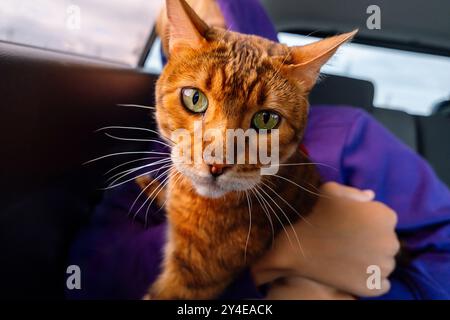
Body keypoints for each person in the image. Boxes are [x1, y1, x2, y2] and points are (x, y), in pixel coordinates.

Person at [67, 0, 450, 300]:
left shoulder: (352, 135)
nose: (216, 159)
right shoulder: (152, 165)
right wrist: (273, 261)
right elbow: (87, 279)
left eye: (263, 121)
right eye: (195, 100)